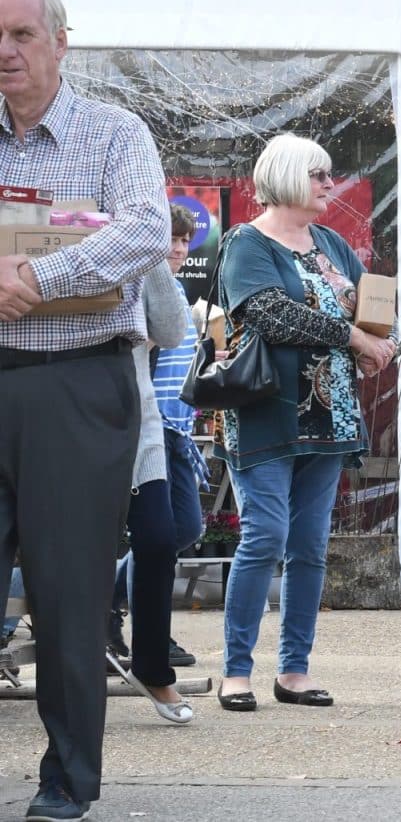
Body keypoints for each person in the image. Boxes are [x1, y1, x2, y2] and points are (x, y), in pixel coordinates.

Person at [0, 0, 172, 822]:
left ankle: (66, 778)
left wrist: (39, 275)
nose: (6, 51)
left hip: (77, 380)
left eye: (22, 34)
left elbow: (146, 228)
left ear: (62, 42)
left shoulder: (115, 132)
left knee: (69, 596)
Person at [215, 134, 396, 715]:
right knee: (264, 536)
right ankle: (236, 671)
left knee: (310, 547)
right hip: (265, 411)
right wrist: (352, 335)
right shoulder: (246, 243)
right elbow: (268, 312)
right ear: (291, 177)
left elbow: (368, 302)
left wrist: (382, 334)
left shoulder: (332, 244)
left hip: (329, 412)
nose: (328, 184)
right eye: (319, 174)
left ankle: (294, 670)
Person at [105, 252, 205, 726]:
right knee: (66, 546)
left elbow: (171, 328)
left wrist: (149, 252)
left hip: (140, 420)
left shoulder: (139, 244)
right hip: (66, 417)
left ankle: (150, 666)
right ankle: (78, 662)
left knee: (161, 538)